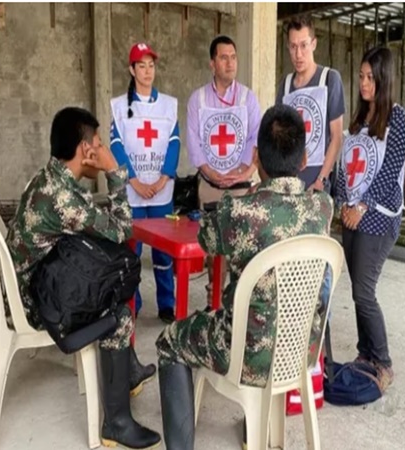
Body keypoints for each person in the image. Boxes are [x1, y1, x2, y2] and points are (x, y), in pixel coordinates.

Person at [155, 104, 334, 449]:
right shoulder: (323, 208)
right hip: (301, 351)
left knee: (169, 341)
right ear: (303, 159)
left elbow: (206, 240)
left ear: (256, 156)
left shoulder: (238, 211)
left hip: (247, 354)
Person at [6, 107, 161, 449]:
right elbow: (122, 231)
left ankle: (128, 370)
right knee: (118, 312)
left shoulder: (49, 178)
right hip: (38, 302)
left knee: (113, 272)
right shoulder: (63, 199)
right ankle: (117, 425)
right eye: (99, 143)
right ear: (84, 150)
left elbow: (92, 228)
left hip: (35, 278)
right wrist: (115, 171)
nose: (103, 148)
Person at [335, 47, 405, 392]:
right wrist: (340, 203)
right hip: (352, 216)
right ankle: (366, 355)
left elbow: (390, 168)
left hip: (378, 217)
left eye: (370, 77)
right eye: (361, 76)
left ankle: (384, 361)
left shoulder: (397, 118)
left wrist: (361, 206)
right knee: (357, 292)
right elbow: (345, 166)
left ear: (384, 78)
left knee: (364, 292)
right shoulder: (359, 120)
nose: (364, 83)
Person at [186, 35, 262, 311]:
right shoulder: (198, 99)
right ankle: (214, 305)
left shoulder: (247, 98)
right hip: (210, 186)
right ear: (212, 63)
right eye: (223, 57)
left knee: (240, 249)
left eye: (233, 57)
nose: (230, 63)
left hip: (241, 187)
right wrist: (212, 173)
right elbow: (194, 142)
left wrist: (245, 171)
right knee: (213, 250)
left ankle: (239, 308)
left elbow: (256, 139)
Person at [110, 42, 180, 323]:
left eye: (151, 65)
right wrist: (135, 182)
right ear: (132, 70)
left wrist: (164, 178)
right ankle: (132, 303)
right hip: (133, 191)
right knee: (132, 251)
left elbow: (174, 143)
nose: (148, 71)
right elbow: (116, 146)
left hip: (162, 192)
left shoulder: (169, 105)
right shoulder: (119, 106)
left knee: (164, 254)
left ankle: (166, 304)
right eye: (142, 66)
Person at [276, 14, 345, 192]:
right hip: (289, 187)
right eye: (293, 46)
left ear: (313, 44)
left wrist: (321, 180)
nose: (298, 54)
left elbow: (336, 137)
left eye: (304, 45)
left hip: (318, 186)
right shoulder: (285, 85)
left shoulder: (329, 79)